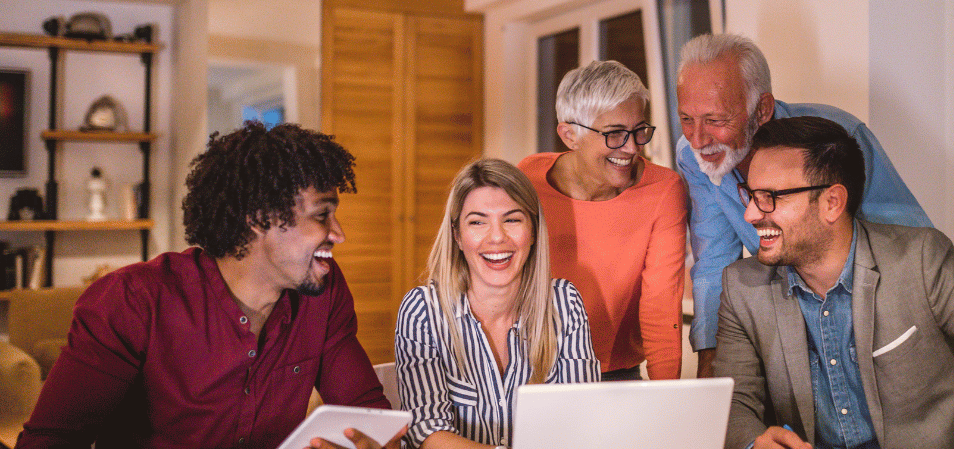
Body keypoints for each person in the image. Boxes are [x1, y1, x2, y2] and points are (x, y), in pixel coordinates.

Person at [16, 122, 404, 449]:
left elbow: (369, 415)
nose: (339, 234)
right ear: (260, 217)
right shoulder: (134, 301)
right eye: (322, 215)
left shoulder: (324, 293)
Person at [716, 117, 954, 449]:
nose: (750, 213)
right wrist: (753, 442)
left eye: (771, 198)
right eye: (751, 195)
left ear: (832, 202)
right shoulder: (742, 288)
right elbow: (732, 404)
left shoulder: (920, 263)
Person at [675, 34, 932, 378]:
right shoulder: (693, 157)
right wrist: (709, 360)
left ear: (762, 110)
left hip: (877, 311)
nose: (698, 139)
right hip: (796, 316)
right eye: (686, 119)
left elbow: (908, 244)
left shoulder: (835, 137)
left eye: (716, 120)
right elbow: (713, 262)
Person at [394, 158, 600, 449]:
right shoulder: (423, 311)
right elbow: (427, 432)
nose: (496, 237)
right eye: (477, 222)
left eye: (512, 219)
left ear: (533, 231)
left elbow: (581, 421)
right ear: (458, 236)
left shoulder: (564, 304)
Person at [518, 60, 687, 381]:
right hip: (532, 368)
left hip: (617, 372)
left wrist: (668, 399)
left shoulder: (663, 190)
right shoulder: (527, 179)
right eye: (614, 134)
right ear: (570, 135)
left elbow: (661, 306)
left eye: (639, 131)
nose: (632, 147)